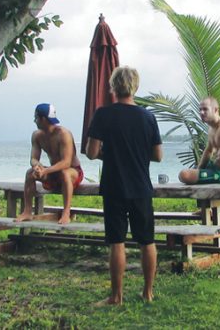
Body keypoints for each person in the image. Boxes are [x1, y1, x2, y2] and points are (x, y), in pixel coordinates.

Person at [86, 66, 163, 305]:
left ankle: (116, 296)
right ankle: (148, 293)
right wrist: (137, 153)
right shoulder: (148, 117)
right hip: (140, 186)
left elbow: (91, 152)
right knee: (146, 240)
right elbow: (158, 155)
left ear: (113, 87)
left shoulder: (103, 115)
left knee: (117, 240)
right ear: (135, 88)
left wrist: (109, 153)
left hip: (114, 186)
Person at [16, 103, 83, 225]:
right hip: (53, 172)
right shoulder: (37, 135)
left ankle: (66, 213)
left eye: (35, 118)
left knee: (64, 173)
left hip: (72, 171)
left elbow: (66, 162)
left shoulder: (63, 134)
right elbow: (33, 158)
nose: (34, 121)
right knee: (30, 173)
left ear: (42, 119)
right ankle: (27, 211)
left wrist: (45, 171)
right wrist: (37, 166)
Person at [178, 97, 220, 189]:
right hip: (212, 167)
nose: (201, 113)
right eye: (200, 110)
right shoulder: (212, 128)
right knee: (186, 174)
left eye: (205, 109)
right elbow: (208, 151)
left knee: (184, 175)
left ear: (215, 110)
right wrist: (199, 169)